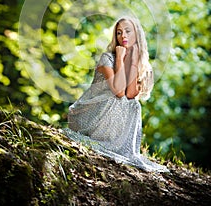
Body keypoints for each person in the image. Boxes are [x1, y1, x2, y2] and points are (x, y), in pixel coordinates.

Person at [64, 16, 169, 172]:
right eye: (119, 33)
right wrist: (119, 58)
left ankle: (118, 145)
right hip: (88, 116)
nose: (123, 36)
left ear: (137, 34)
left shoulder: (140, 64)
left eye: (127, 31)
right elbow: (119, 92)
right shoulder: (107, 58)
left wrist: (133, 59)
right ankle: (108, 144)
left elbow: (131, 94)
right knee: (116, 99)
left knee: (134, 104)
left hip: (109, 121)